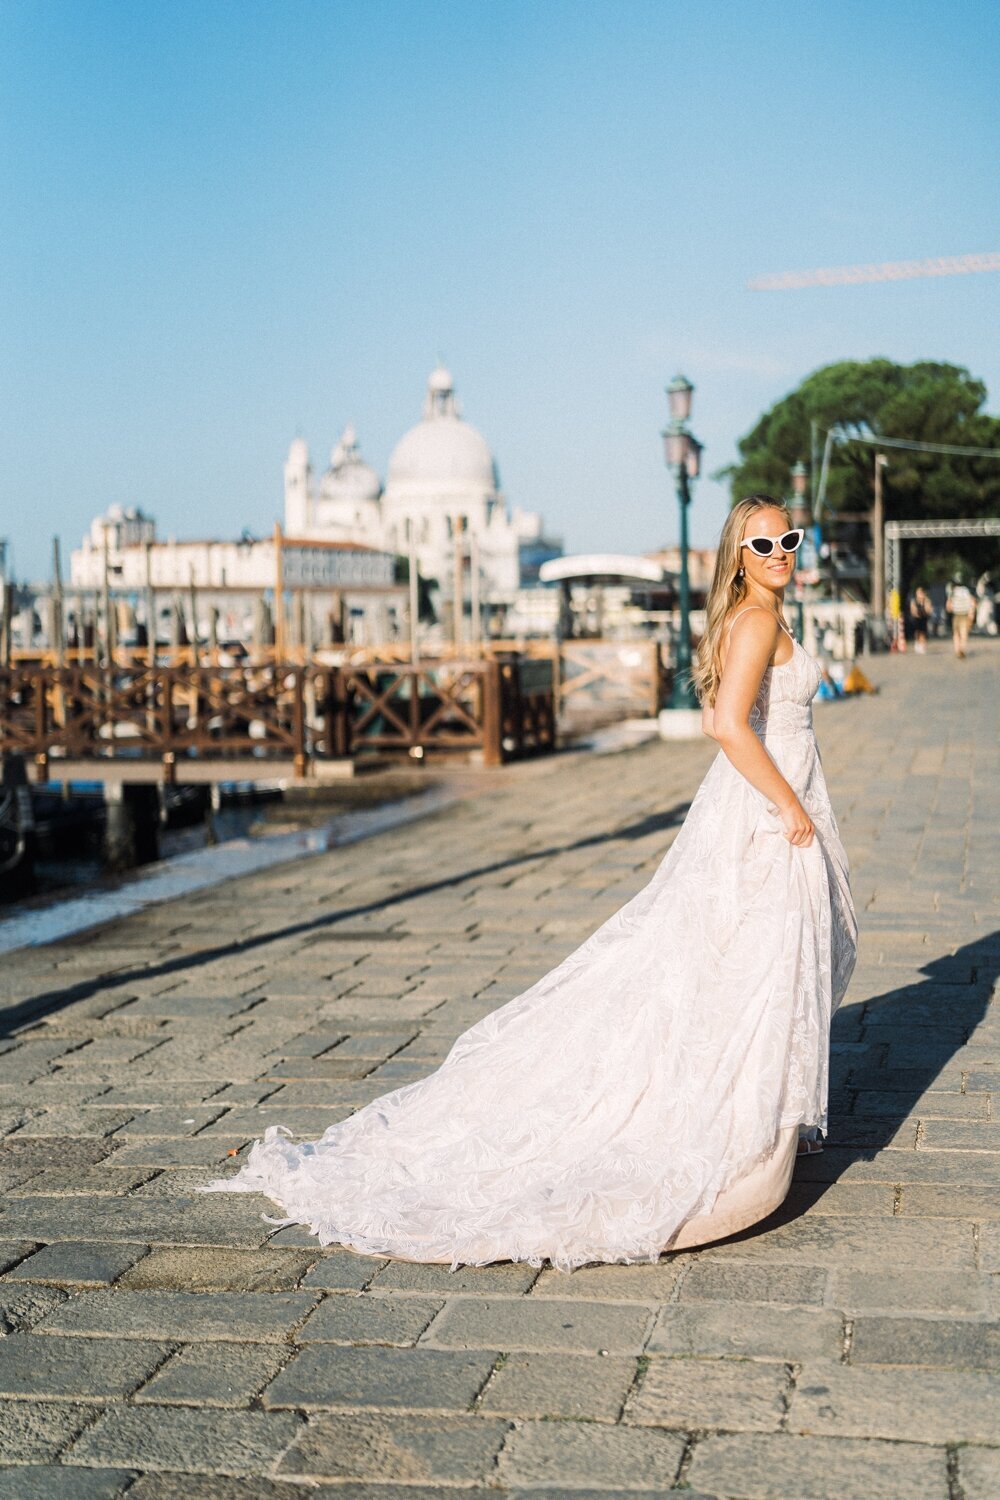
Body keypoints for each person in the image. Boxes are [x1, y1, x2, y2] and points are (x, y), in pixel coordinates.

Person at [207, 496, 857, 1270]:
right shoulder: (754, 620)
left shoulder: (767, 615)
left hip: (765, 802)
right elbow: (723, 723)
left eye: (788, 537)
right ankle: (741, 1125)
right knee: (751, 963)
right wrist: (788, 806)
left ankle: (760, 1116)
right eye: (764, 542)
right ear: (739, 556)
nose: (781, 550)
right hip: (763, 810)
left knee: (745, 964)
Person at [946, 574, 975, 659]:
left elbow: (948, 606)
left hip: (956, 614)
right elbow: (972, 602)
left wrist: (950, 608)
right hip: (965, 614)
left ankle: (957, 650)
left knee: (956, 634)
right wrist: (971, 613)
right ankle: (962, 649)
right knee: (964, 633)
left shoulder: (953, 591)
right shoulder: (966, 591)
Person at [909, 586, 933, 655]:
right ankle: (917, 643)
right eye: (918, 593)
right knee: (917, 632)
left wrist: (926, 608)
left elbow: (929, 609)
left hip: (924, 618)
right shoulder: (914, 601)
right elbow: (913, 610)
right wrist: (915, 613)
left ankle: (922, 646)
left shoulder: (927, 600)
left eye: (921, 593)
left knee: (923, 632)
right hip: (916, 619)